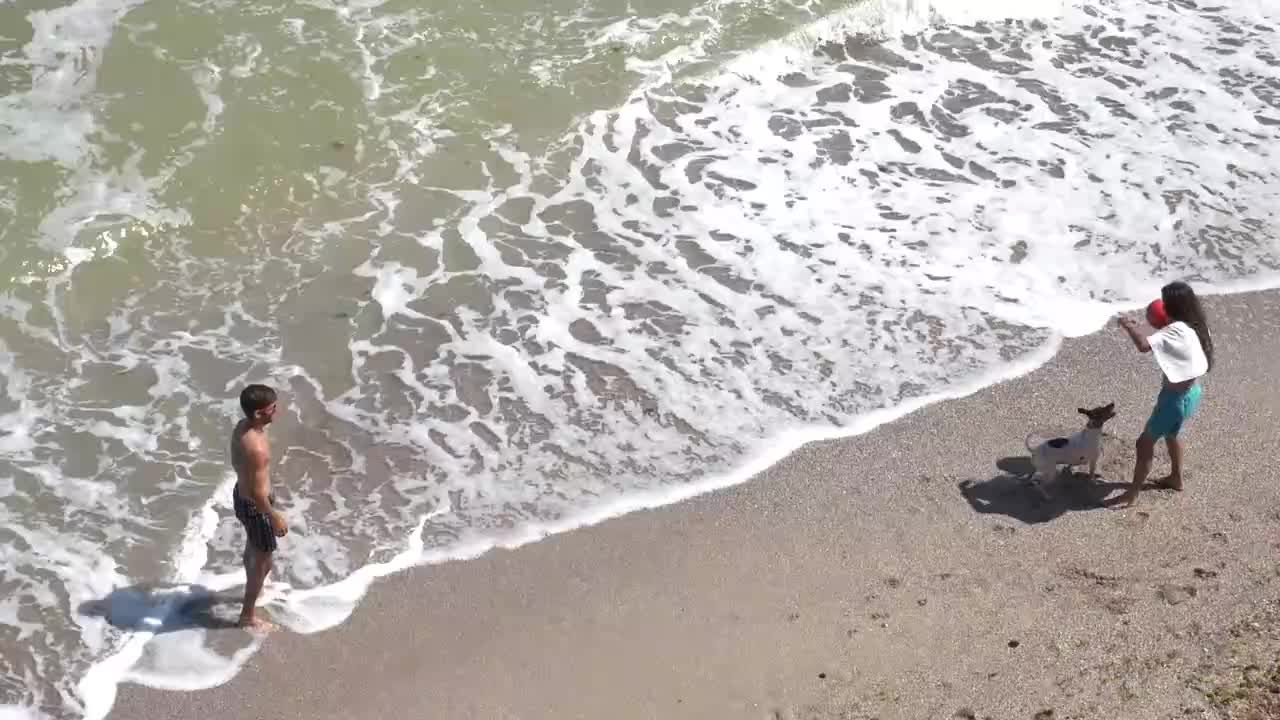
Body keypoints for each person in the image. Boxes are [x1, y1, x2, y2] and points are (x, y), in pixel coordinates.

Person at [1113, 281, 1214, 508]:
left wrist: (1129, 325)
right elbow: (1171, 338)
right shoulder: (1198, 326)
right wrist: (1149, 326)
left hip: (1173, 401)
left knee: (1144, 443)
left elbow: (1143, 345)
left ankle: (1132, 493)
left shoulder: (1175, 330)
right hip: (1192, 394)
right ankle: (1176, 478)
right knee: (1172, 434)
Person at [230, 383, 288, 630]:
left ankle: (255, 586)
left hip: (242, 497)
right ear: (258, 414)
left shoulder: (244, 427)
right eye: (272, 408)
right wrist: (274, 517)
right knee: (264, 562)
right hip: (256, 507)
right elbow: (256, 492)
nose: (276, 411)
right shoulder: (255, 449)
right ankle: (248, 616)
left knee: (253, 551)